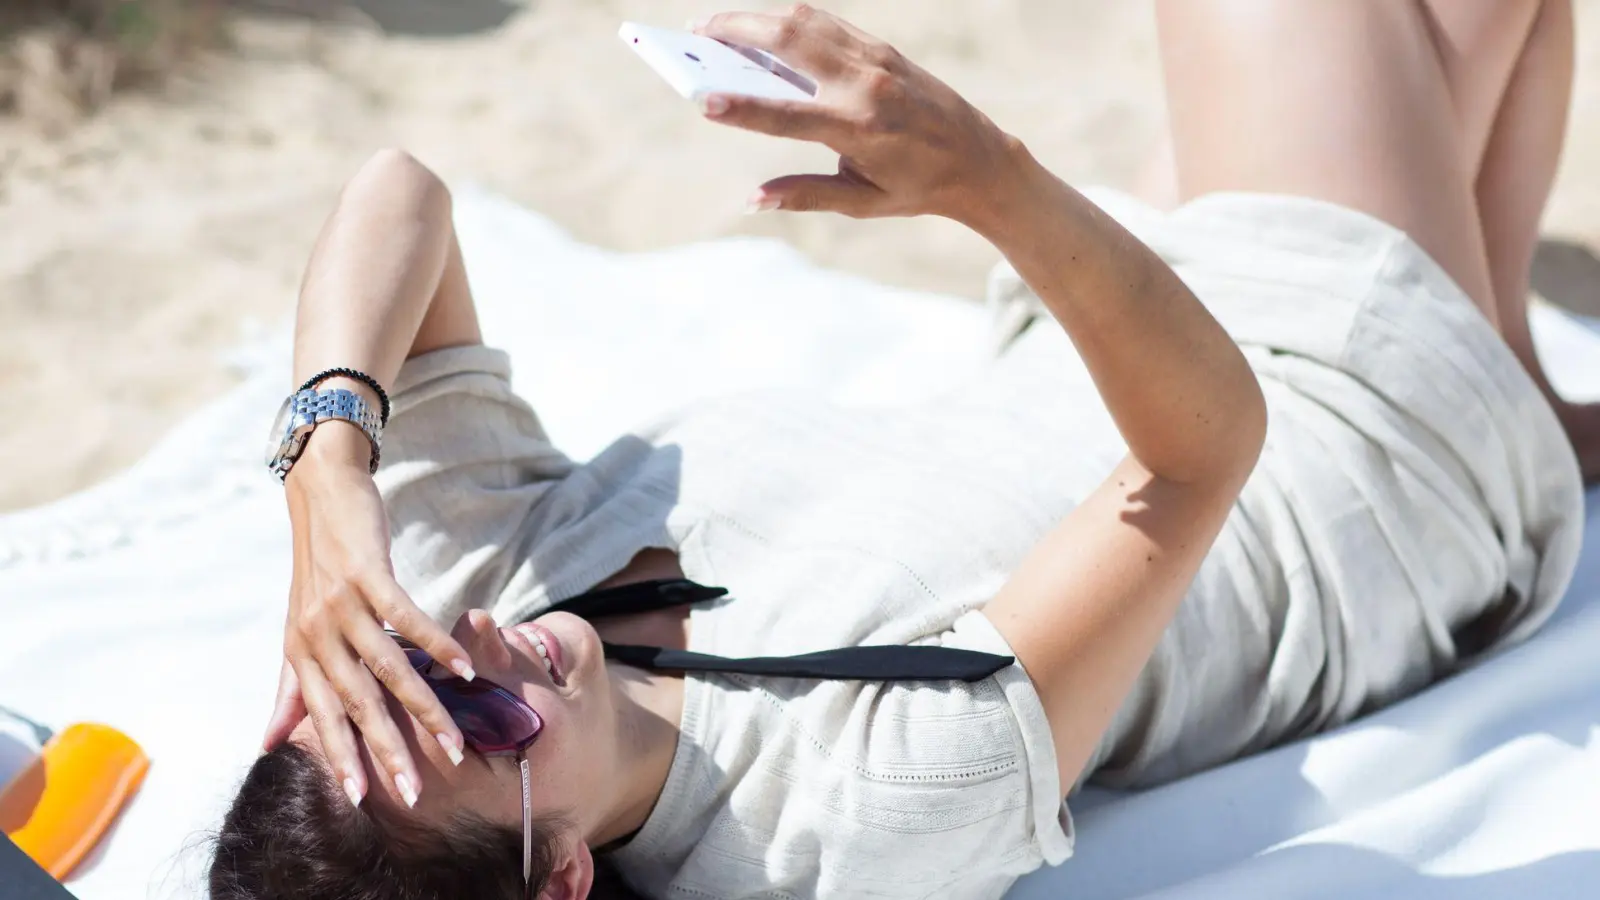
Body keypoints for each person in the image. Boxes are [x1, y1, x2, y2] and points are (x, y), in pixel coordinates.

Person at [209, 2, 1590, 899]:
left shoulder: (481, 593)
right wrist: (986, 178)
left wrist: (327, 467)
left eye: (400, 674)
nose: (474, 654)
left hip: (1097, 361)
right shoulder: (850, 808)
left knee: (1476, 27)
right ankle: (1507, 397)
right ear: (560, 875)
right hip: (1346, 461)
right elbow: (1204, 454)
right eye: (480, 725)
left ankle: (1520, 368)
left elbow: (399, 194)